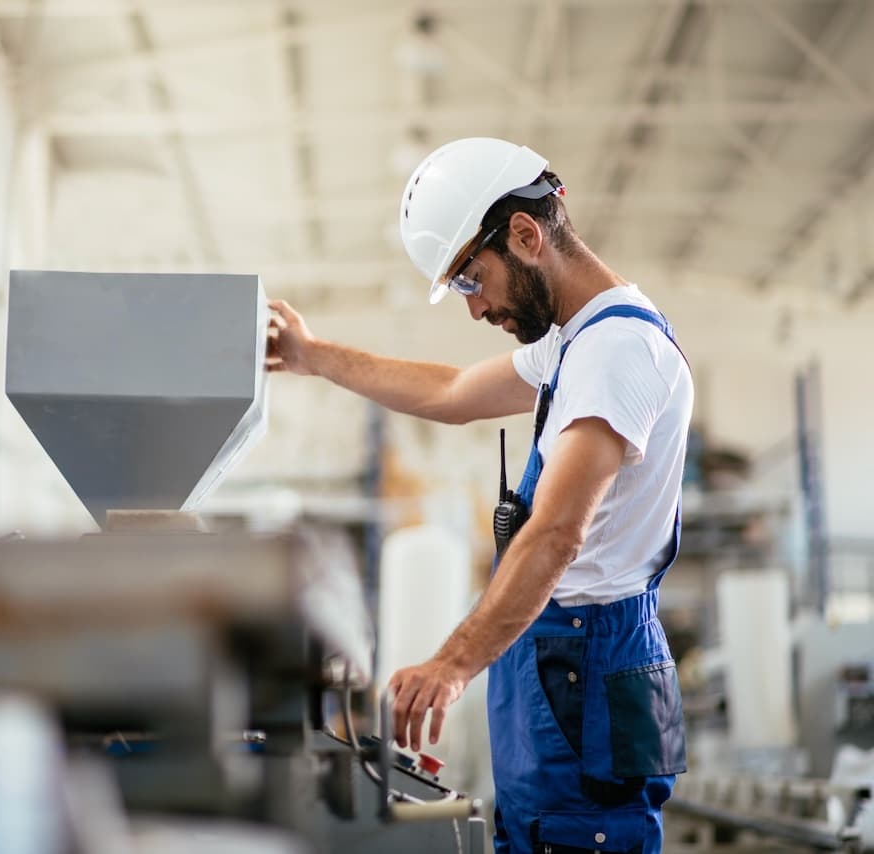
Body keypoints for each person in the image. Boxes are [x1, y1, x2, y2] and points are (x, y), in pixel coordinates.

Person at [266, 137, 692, 854]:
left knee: (572, 839)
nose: (475, 308)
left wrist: (452, 662)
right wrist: (313, 356)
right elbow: (453, 391)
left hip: (586, 660)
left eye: (472, 279)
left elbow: (557, 533)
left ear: (526, 235)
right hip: (562, 653)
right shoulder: (577, 342)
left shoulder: (617, 351)